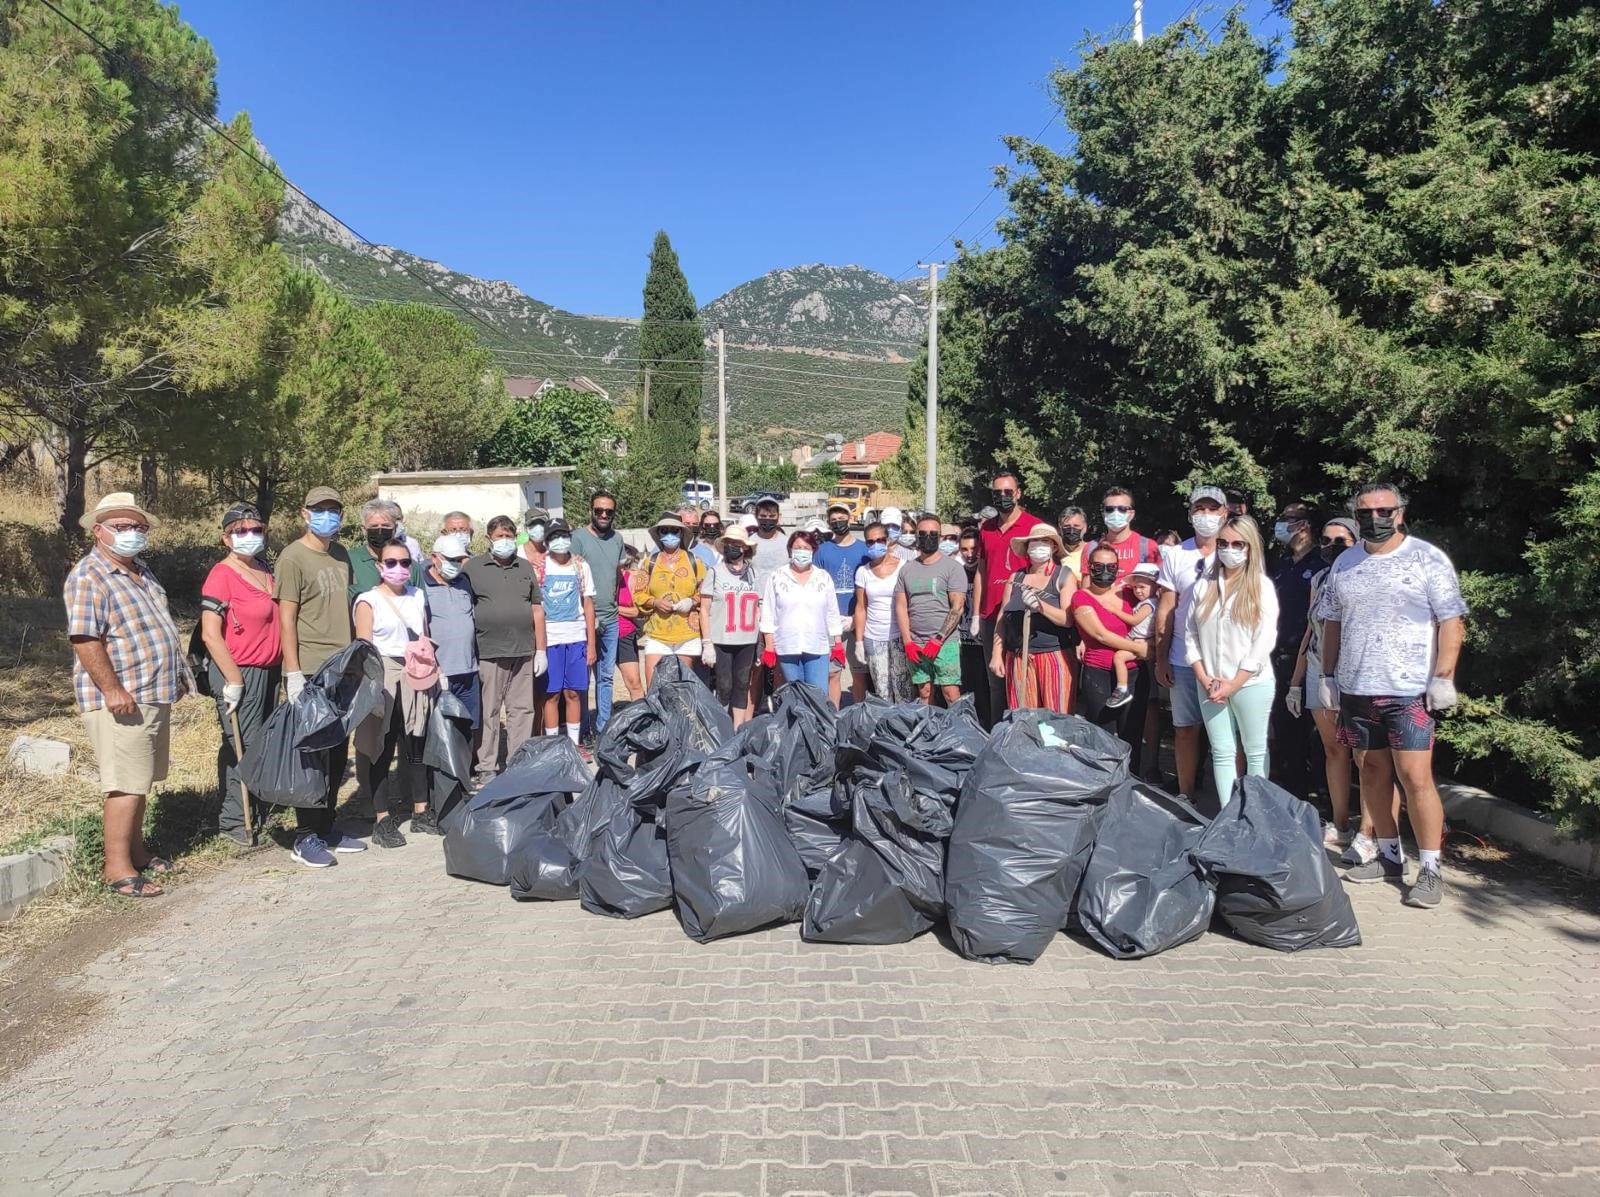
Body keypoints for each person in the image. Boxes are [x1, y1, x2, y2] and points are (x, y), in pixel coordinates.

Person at [1315, 482, 1467, 909]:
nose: (1375, 518)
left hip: (1409, 691)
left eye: (1384, 510)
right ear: (1356, 514)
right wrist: (1328, 675)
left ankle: (1432, 869)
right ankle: (1387, 854)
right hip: (1358, 687)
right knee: (1374, 772)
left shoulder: (1426, 558)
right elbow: (1332, 622)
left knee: (1416, 778)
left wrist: (1443, 676)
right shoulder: (1345, 562)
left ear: (1400, 513)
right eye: (1365, 512)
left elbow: (1451, 620)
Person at [65, 493, 193, 897]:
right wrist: (112, 688)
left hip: (151, 692)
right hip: (122, 697)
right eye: (121, 527)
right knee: (123, 782)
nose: (132, 533)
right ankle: (117, 867)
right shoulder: (89, 575)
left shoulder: (142, 571)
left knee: (141, 779)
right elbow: (85, 639)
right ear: (98, 531)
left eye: (138, 527)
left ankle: (137, 850)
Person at [276, 486, 366, 867]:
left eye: (334, 510)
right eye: (320, 509)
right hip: (310, 668)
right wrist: (293, 671)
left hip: (339, 667)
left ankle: (327, 824)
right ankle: (305, 835)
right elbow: (286, 618)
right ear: (305, 513)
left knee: (336, 751)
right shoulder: (292, 558)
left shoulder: (341, 555)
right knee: (312, 754)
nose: (328, 516)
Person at [199, 502, 280, 847]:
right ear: (226, 538)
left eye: (255, 529)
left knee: (260, 742)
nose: (248, 536)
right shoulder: (221, 574)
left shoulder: (265, 568)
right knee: (241, 745)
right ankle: (235, 820)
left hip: (270, 670)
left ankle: (258, 807)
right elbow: (209, 633)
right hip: (240, 672)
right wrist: (233, 679)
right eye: (239, 531)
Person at [1185, 515, 1279, 806]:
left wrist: (1235, 683)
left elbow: (1264, 640)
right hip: (1210, 683)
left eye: (1238, 544)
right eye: (1223, 543)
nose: (1229, 549)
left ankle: (1255, 815)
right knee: (1222, 750)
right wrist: (1204, 678)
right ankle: (1227, 816)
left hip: (1250, 683)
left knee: (1255, 750)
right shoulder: (1204, 586)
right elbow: (1190, 635)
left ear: (1250, 548)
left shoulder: (1261, 587)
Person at [353, 538, 438, 847]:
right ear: (380, 566)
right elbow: (363, 647)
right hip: (383, 672)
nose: (398, 568)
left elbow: (424, 634)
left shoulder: (417, 596)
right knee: (382, 745)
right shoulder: (368, 600)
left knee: (416, 740)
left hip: (416, 670)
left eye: (404, 563)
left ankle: (421, 811)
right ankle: (382, 818)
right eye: (391, 563)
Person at [1287, 517, 1361, 847]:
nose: (1332, 547)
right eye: (1327, 541)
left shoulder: (1365, 576)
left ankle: (1372, 832)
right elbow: (1310, 630)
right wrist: (1296, 682)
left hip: (1356, 673)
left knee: (1365, 757)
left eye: (1341, 541)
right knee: (1334, 751)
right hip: (1319, 670)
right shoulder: (1319, 578)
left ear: (1356, 542)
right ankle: (1341, 823)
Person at [1154, 485, 1227, 800]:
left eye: (1213, 509)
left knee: (1226, 734)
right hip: (1183, 658)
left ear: (1225, 513)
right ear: (1190, 514)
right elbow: (1167, 609)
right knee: (1185, 730)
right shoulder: (1175, 554)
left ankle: (1231, 798)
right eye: (1200, 509)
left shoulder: (1239, 550)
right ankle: (1186, 793)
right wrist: (1160, 658)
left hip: (1226, 660)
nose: (1207, 516)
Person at [463, 515, 547, 783]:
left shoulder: (524, 567)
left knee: (522, 710)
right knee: (489, 710)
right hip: (489, 650)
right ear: (489, 539)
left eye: (509, 536)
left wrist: (541, 649)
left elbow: (536, 608)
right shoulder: (473, 568)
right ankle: (486, 765)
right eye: (499, 536)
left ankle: (518, 762)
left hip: (523, 649)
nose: (505, 541)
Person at [977, 473, 1044, 726]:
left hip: (1021, 614)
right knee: (995, 682)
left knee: (1023, 679)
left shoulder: (1033, 526)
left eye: (1008, 492)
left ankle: (1024, 733)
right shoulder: (987, 529)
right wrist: (977, 612)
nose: (1002, 497)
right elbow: (983, 571)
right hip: (990, 615)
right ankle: (997, 735)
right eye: (997, 493)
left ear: (1018, 493)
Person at [1072, 544, 1149, 757]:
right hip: (1098, 672)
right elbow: (1100, 635)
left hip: (1133, 671)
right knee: (1101, 734)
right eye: (1098, 566)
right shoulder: (1081, 597)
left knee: (1132, 734)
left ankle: (1130, 782)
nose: (1105, 571)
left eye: (1111, 566)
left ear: (1118, 568)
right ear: (1089, 567)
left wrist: (1152, 645)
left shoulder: (1130, 593)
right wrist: (1140, 648)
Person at [990, 524, 1077, 712]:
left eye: (1044, 541)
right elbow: (1002, 618)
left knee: (1056, 718)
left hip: (1053, 656)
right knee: (1023, 717)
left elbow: (1067, 619)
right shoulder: (1016, 578)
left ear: (1054, 547)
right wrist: (997, 653)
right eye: (1034, 542)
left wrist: (1041, 606)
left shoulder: (1064, 576)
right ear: (1027, 548)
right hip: (1018, 658)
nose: (1038, 546)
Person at [1269, 501, 1323, 800]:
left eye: (1286, 519)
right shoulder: (1282, 564)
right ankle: (1286, 792)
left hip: (1303, 658)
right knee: (1282, 729)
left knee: (1305, 734)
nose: (1281, 524)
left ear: (1303, 525)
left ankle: (1308, 796)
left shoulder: (1319, 565)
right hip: (1276, 655)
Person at [897, 513, 970, 707]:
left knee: (950, 691)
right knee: (924, 691)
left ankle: (961, 732)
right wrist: (908, 642)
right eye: (923, 533)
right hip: (916, 642)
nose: (927, 537)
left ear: (939, 537)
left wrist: (938, 639)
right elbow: (901, 606)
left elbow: (957, 607)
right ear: (917, 536)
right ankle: (927, 731)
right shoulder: (907, 570)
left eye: (933, 533)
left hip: (945, 643)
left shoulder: (952, 568)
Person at [758, 530, 844, 692]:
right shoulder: (777, 577)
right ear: (790, 550)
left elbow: (832, 612)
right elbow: (768, 613)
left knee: (818, 696)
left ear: (813, 550)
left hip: (817, 647)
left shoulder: (823, 578)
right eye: (797, 547)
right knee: (795, 697)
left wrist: (838, 643)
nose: (801, 551)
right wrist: (769, 646)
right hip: (787, 646)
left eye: (806, 548)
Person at [536, 520, 595, 747]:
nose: (559, 541)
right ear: (547, 541)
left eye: (563, 535)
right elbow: (536, 608)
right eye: (554, 536)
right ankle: (552, 745)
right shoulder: (540, 568)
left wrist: (590, 644)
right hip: (551, 639)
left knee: (573, 693)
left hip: (576, 637)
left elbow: (588, 604)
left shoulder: (581, 566)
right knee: (552, 694)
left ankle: (573, 743)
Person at [571, 490, 624, 740]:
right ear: (591, 511)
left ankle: (603, 728)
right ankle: (582, 729)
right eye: (599, 510)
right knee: (582, 679)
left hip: (611, 619)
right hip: (584, 619)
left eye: (609, 511)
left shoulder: (617, 539)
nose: (604, 515)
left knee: (605, 677)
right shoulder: (577, 538)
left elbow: (617, 575)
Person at [700, 525, 762, 724]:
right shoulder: (715, 573)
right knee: (724, 686)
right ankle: (722, 728)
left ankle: (738, 729)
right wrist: (707, 642)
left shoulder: (755, 574)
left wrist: (761, 642)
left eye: (736, 544)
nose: (731, 548)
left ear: (745, 548)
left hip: (747, 639)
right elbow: (704, 609)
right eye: (728, 543)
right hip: (722, 639)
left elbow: (760, 608)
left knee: (742, 684)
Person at [633, 513, 706, 684]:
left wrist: (692, 601)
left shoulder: (695, 562)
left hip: (687, 633)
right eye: (664, 531)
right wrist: (655, 602)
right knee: (654, 687)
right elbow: (639, 594)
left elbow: (705, 592)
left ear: (681, 533)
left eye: (674, 531)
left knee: (681, 688)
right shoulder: (649, 563)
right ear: (658, 534)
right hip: (657, 632)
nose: (669, 535)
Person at [424, 533, 480, 738]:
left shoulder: (465, 582)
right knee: (440, 730)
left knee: (467, 728)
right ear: (434, 558)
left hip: (468, 669)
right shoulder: (422, 585)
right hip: (438, 674)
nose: (455, 564)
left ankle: (466, 769)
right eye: (450, 560)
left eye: (459, 560)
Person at [816, 500, 870, 706]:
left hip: (857, 619)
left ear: (850, 518)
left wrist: (858, 618)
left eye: (842, 518)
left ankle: (858, 715)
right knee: (833, 674)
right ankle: (833, 717)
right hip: (831, 622)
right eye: (834, 520)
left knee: (859, 674)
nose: (838, 522)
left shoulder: (864, 549)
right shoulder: (822, 550)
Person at [852, 521, 912, 703]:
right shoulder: (863, 572)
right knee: (882, 689)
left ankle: (905, 728)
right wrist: (859, 641)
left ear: (887, 541)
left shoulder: (904, 567)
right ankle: (886, 728)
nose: (876, 544)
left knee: (903, 689)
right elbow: (862, 607)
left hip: (899, 637)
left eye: (880, 540)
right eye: (870, 542)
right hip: (874, 637)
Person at [1107, 562, 1159, 708]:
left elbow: (1134, 620)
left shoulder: (1149, 604)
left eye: (1142, 587)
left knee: (1119, 657)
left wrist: (1115, 610)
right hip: (1136, 639)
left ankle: (1122, 689)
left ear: (1155, 586)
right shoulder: (1147, 602)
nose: (1138, 591)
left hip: (1139, 641)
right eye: (1135, 587)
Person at [348, 498, 422, 602]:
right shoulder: (349, 560)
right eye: (374, 526)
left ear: (395, 528)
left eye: (385, 526)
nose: (380, 530)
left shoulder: (410, 566)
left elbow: (422, 607)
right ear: (364, 530)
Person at [955, 527, 991, 725]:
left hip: (983, 641)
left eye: (974, 549)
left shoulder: (986, 573)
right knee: (967, 689)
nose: (969, 554)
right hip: (964, 642)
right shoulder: (956, 573)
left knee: (985, 690)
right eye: (964, 549)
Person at [1093, 487, 1162, 583]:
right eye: (1109, 509)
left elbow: (1159, 586)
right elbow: (1086, 592)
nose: (1115, 513)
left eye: (1122, 509)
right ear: (1103, 514)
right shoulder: (1091, 548)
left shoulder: (1149, 547)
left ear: (1131, 514)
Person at [615, 547, 644, 703]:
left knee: (634, 683)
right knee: (601, 682)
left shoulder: (631, 578)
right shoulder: (597, 577)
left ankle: (641, 717)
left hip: (624, 634)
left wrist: (614, 608)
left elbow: (636, 612)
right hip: (601, 634)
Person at [748, 497, 789, 583]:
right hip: (756, 594)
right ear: (756, 517)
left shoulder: (788, 543)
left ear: (779, 517)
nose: (767, 519)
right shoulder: (749, 543)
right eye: (763, 516)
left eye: (772, 516)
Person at [1056, 506, 1089, 579]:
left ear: (1085, 527)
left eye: (1076, 526)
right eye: (1066, 526)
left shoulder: (1092, 552)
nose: (1071, 530)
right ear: (1059, 528)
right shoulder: (1054, 554)